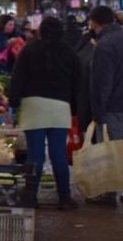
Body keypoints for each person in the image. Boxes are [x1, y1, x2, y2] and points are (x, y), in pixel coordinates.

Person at [8, 16, 81, 210]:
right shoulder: (69, 52)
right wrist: (74, 107)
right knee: (58, 154)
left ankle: (31, 197)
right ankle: (65, 197)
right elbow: (78, 81)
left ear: (41, 31)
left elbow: (17, 77)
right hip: (59, 106)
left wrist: (14, 102)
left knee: (36, 154)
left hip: (33, 106)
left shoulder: (29, 50)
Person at [88, 5, 123, 204]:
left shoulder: (104, 44)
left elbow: (102, 82)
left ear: (95, 22)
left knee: (110, 149)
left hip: (112, 106)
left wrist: (98, 112)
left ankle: (110, 193)